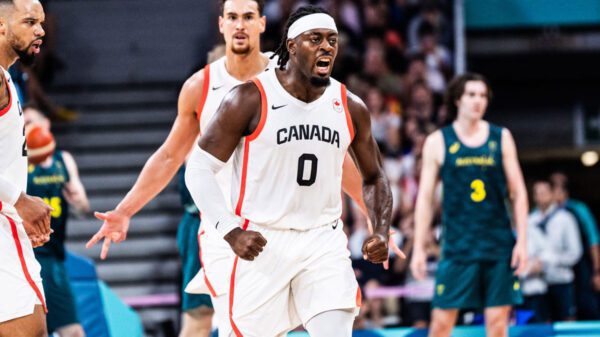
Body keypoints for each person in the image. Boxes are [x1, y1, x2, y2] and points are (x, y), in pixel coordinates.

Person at [85, 1, 370, 336]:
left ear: (262, 24)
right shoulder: (200, 87)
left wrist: (374, 215)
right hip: (224, 230)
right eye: (233, 18)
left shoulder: (293, 78)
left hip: (291, 226)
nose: (240, 25)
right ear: (221, 25)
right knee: (207, 324)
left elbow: (333, 155)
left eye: (248, 17)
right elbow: (170, 157)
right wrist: (125, 210)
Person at [185, 6, 396, 337]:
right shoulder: (249, 98)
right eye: (316, 39)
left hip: (321, 240)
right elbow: (198, 168)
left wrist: (381, 229)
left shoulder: (349, 105)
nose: (326, 47)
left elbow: (374, 177)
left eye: (332, 40)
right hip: (262, 240)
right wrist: (231, 230)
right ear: (292, 45)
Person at [411, 73, 528, 337]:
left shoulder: (501, 137)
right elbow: (425, 199)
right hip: (457, 247)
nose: (478, 101)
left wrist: (522, 240)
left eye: (483, 96)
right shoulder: (438, 141)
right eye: (472, 95)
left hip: (497, 245)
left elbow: (518, 193)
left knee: (498, 326)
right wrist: (419, 247)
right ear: (457, 100)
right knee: (440, 325)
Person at [0, 1, 53, 337]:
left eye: (42, 22)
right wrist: (19, 199)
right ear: (1, 27)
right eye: (30, 22)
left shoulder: (7, 76)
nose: (41, 31)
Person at [25, 107, 89, 337]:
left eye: (31, 120)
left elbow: (83, 208)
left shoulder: (64, 160)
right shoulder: (18, 161)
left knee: (71, 331)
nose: (26, 125)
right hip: (28, 253)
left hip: (53, 255)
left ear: (46, 125)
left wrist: (78, 200)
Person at [528, 180, 581, 321]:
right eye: (537, 193)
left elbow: (575, 253)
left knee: (567, 320)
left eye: (544, 193)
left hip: (561, 279)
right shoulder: (530, 221)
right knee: (542, 324)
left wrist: (548, 261)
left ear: (552, 194)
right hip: (538, 285)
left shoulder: (565, 219)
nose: (540, 197)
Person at [551, 172, 600, 320]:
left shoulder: (579, 209)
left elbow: (593, 240)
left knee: (588, 305)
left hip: (582, 267)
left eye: (560, 186)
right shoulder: (543, 215)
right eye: (554, 186)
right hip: (557, 271)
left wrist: (597, 271)